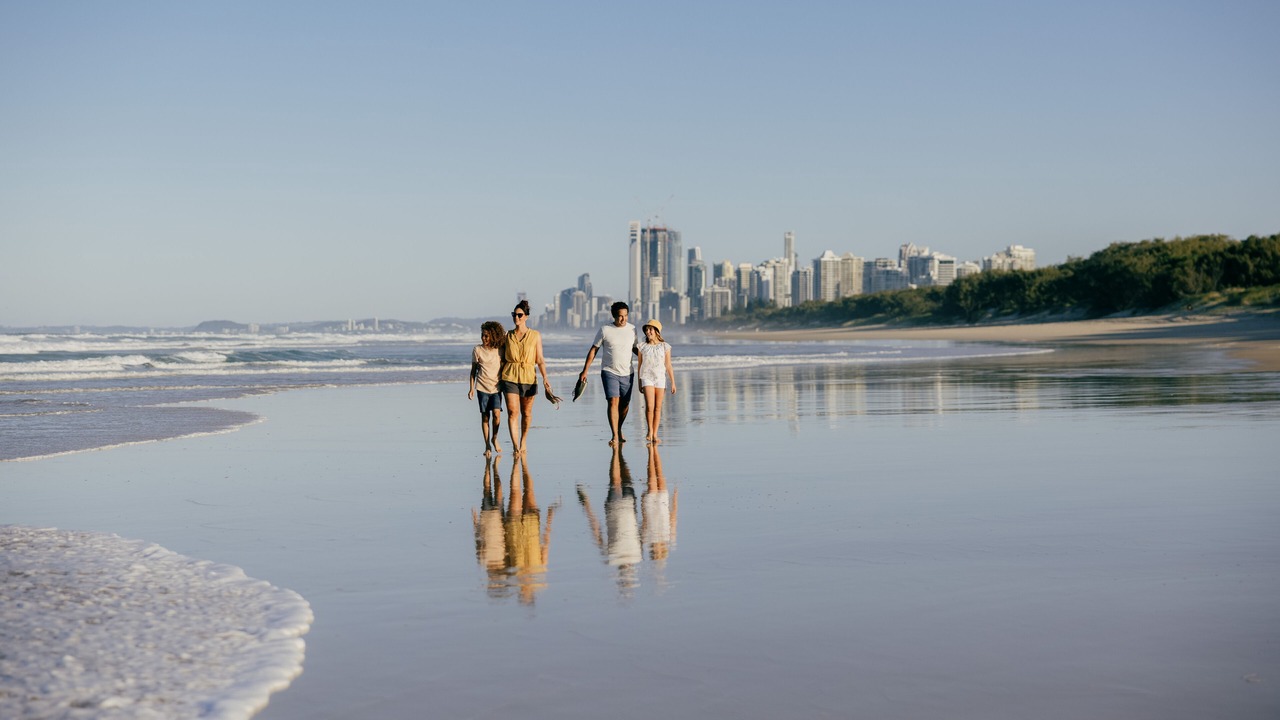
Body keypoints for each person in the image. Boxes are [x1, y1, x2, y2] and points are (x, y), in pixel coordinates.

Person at [577, 301, 638, 447]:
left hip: (628, 372)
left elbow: (635, 349)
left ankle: (619, 428)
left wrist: (649, 358)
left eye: (625, 316)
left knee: (625, 405)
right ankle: (615, 435)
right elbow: (593, 350)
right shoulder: (605, 330)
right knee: (613, 401)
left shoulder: (632, 330)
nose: (623, 319)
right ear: (614, 316)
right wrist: (585, 370)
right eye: (620, 316)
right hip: (609, 371)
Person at [499, 300, 552, 457]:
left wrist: (545, 378)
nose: (516, 317)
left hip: (529, 377)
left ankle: (523, 441)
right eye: (514, 314)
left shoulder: (535, 335)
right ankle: (516, 446)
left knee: (526, 413)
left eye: (519, 315)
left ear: (526, 317)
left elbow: (540, 359)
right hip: (509, 376)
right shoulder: (507, 336)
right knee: (512, 412)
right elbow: (500, 358)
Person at [468, 321, 505, 456]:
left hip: (496, 388)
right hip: (482, 387)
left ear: (493, 336)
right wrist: (471, 388)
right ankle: (487, 445)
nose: (484, 338)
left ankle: (494, 438)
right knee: (485, 417)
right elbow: (473, 371)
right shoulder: (477, 350)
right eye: (482, 335)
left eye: (487, 336)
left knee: (497, 415)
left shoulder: (499, 349)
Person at [636, 319, 676, 445]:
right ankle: (649, 431)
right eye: (647, 329)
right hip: (647, 377)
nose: (648, 332)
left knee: (658, 408)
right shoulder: (642, 346)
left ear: (657, 331)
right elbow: (639, 365)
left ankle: (655, 433)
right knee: (650, 406)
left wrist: (673, 382)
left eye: (651, 329)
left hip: (660, 378)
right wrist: (639, 382)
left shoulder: (665, 346)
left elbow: (668, 365)